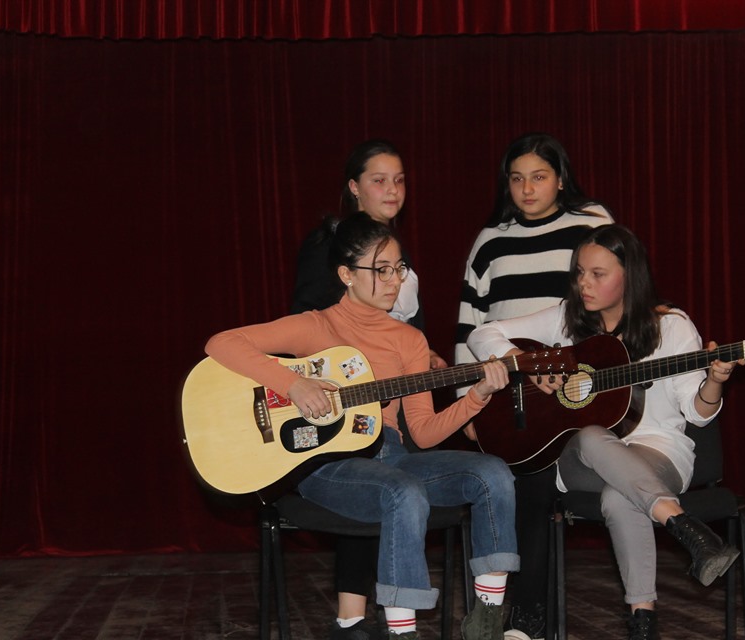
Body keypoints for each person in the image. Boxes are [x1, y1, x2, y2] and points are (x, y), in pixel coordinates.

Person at [207, 213, 520, 640]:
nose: (394, 281)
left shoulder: (409, 340)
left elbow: (423, 432)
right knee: (402, 492)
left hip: (392, 455)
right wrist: (294, 384)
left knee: (493, 473)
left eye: (399, 268)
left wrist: (477, 395)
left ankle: (487, 620)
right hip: (327, 464)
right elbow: (221, 343)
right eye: (381, 270)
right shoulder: (316, 325)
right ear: (347, 275)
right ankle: (402, 633)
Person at [467, 224, 743, 640]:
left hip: (657, 453)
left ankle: (643, 624)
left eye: (598, 274)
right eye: (580, 272)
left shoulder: (672, 328)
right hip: (583, 460)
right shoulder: (566, 320)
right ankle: (685, 527)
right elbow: (481, 334)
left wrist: (715, 381)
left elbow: (698, 413)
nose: (584, 284)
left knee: (619, 497)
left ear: (630, 276)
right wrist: (526, 362)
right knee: (592, 435)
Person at [454, 132, 613, 639]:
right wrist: (465, 407)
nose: (526, 189)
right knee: (519, 484)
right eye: (517, 178)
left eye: (539, 177)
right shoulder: (490, 240)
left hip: (573, 389)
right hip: (506, 390)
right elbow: (469, 324)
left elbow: (614, 300)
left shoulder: (591, 223)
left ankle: (526, 615)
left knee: (538, 484)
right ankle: (517, 615)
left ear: (560, 179)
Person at [291, 139, 447, 640]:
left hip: (396, 396)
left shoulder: (394, 249)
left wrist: (427, 357)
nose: (392, 189)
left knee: (393, 480)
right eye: (379, 180)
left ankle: (364, 617)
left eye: (399, 180)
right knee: (374, 476)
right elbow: (310, 321)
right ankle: (353, 618)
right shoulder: (332, 245)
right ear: (354, 188)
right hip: (343, 398)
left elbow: (404, 328)